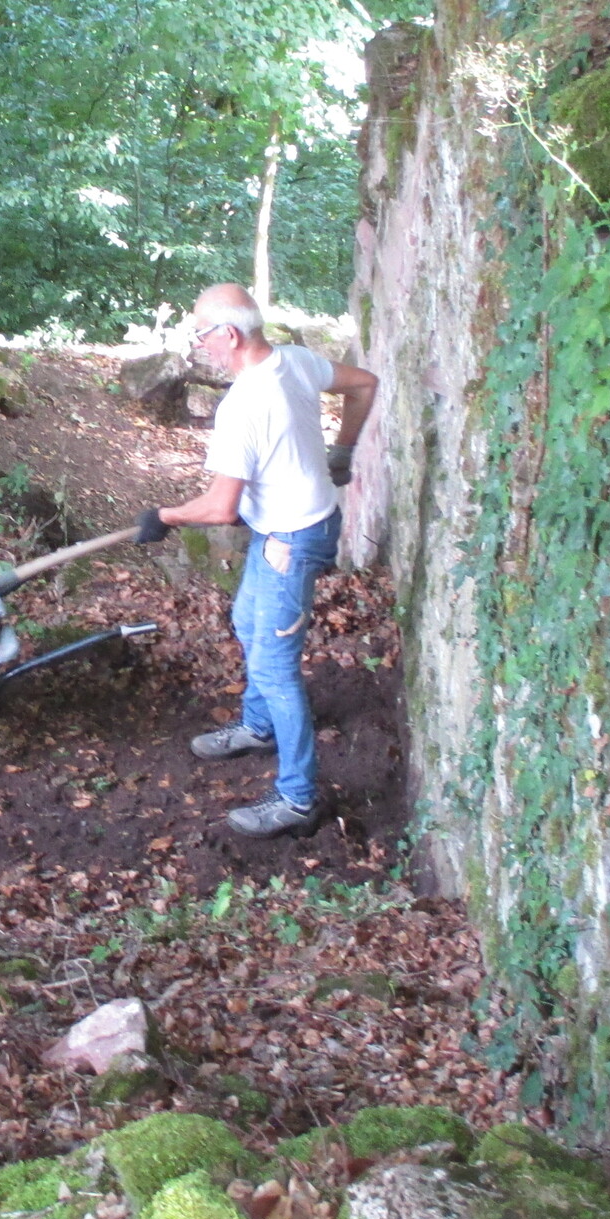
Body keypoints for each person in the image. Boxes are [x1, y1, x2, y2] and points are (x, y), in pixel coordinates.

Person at [134, 283, 378, 838]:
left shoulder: (242, 406)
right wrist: (342, 453)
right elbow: (364, 384)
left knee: (274, 668)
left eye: (202, 334)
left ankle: (298, 800)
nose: (199, 345)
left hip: (291, 540)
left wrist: (166, 517)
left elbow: (221, 509)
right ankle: (259, 725)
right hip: (295, 525)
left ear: (229, 334)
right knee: (247, 621)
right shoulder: (295, 360)